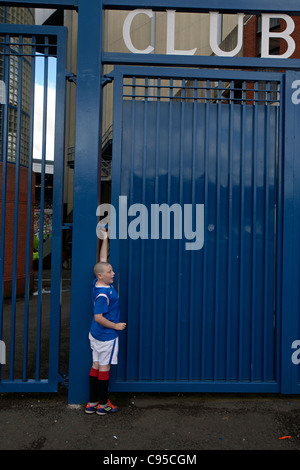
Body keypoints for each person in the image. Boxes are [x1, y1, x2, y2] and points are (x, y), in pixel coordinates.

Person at [85, 229, 126, 415]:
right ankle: (103, 405)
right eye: (110, 271)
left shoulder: (98, 283)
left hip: (95, 335)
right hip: (105, 337)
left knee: (95, 366)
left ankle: (92, 403)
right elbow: (99, 317)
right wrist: (115, 326)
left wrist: (105, 238)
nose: (113, 272)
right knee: (104, 367)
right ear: (102, 275)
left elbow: (102, 261)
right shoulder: (103, 294)